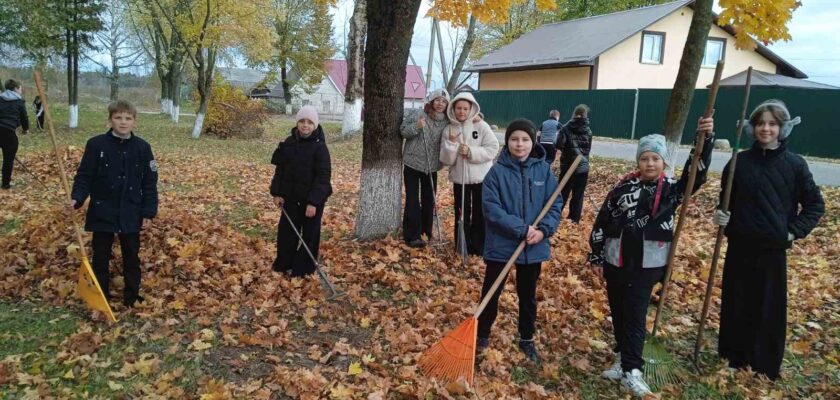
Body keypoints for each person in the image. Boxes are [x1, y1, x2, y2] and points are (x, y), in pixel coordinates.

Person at [588, 117, 714, 397]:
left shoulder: (671, 190)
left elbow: (698, 174)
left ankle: (633, 370)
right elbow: (601, 222)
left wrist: (703, 142)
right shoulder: (622, 189)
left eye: (655, 158)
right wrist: (596, 257)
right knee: (619, 311)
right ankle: (622, 357)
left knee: (634, 314)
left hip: (647, 265)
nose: (649, 163)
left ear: (664, 162)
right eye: (644, 158)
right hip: (616, 261)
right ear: (638, 161)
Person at [714, 99, 824, 381]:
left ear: (782, 128)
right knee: (737, 301)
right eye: (761, 123)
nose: (766, 129)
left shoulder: (795, 165)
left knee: (767, 306)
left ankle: (764, 362)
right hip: (740, 244)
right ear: (752, 127)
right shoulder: (739, 162)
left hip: (772, 249)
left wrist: (792, 231)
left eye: (772, 124)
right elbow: (726, 199)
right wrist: (722, 216)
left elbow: (814, 206)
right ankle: (734, 356)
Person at [476, 119, 563, 364]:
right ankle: (481, 335)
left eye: (525, 139)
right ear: (508, 142)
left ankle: (526, 338)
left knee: (528, 295)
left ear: (533, 141)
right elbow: (491, 209)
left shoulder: (544, 171)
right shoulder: (496, 172)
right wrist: (521, 229)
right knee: (490, 293)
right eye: (514, 139)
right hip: (502, 244)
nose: (519, 144)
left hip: (533, 246)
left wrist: (543, 231)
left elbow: (555, 203)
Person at [70, 100, 158, 308]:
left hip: (131, 210)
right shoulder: (96, 145)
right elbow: (85, 176)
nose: (123, 122)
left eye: (128, 118)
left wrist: (148, 212)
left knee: (131, 256)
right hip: (103, 209)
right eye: (118, 118)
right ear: (110, 120)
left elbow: (149, 183)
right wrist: (77, 198)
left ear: (134, 122)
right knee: (100, 256)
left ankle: (132, 297)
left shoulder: (143, 148)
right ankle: (101, 296)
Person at [270, 105, 333, 277]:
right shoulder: (289, 144)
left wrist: (313, 202)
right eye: (302, 121)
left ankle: (303, 269)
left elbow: (323, 176)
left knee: (310, 236)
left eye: (310, 122)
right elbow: (280, 171)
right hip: (290, 198)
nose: (305, 125)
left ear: (315, 125)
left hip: (312, 201)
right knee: (287, 233)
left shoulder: (320, 148)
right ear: (297, 123)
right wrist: (277, 193)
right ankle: (284, 264)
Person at [440, 92, 499, 256]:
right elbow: (446, 160)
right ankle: (461, 245)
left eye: (465, 108)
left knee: (480, 212)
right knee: (461, 212)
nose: (462, 112)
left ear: (472, 108)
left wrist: (471, 152)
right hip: (461, 179)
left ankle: (479, 245)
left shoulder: (481, 126)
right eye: (458, 108)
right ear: (453, 109)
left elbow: (493, 148)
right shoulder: (449, 129)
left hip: (481, 179)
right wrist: (452, 144)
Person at [400, 89, 449, 248]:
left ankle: (425, 231)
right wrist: (416, 126)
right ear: (431, 101)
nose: (440, 103)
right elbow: (403, 131)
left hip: (432, 165)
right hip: (413, 163)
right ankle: (411, 235)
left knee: (429, 199)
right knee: (412, 199)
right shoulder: (419, 114)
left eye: (443, 101)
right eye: (437, 100)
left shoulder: (448, 121)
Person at [555, 104, 592, 223]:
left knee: (562, 192)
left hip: (568, 165)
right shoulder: (588, 130)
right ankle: (574, 219)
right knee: (578, 194)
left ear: (574, 113)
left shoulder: (565, 128)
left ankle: (555, 215)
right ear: (586, 115)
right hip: (583, 166)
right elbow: (587, 149)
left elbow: (559, 144)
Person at [0, 79, 30, 189]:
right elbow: (24, 117)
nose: (21, 90)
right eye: (20, 88)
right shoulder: (19, 102)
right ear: (15, 88)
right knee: (8, 160)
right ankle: (5, 184)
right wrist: (25, 129)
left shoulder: (0, 98)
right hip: (9, 133)